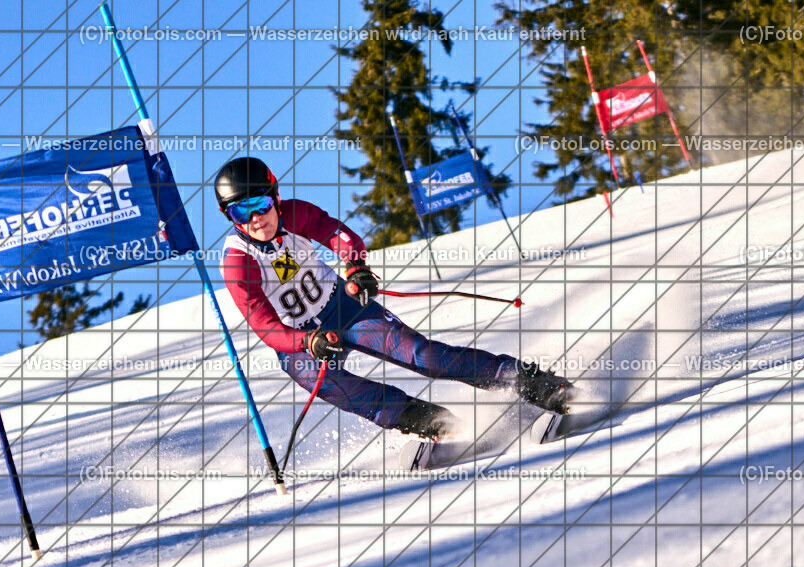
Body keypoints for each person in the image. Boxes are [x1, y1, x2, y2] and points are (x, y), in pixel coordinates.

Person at [216, 157, 570, 442]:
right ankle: (436, 425)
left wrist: (356, 268)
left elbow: (336, 233)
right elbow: (264, 325)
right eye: (239, 213)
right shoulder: (237, 261)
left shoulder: (294, 214)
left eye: (260, 204)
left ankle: (535, 383)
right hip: (301, 342)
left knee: (425, 356)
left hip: (344, 307)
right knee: (342, 390)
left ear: (275, 197)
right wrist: (307, 340)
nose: (255, 219)